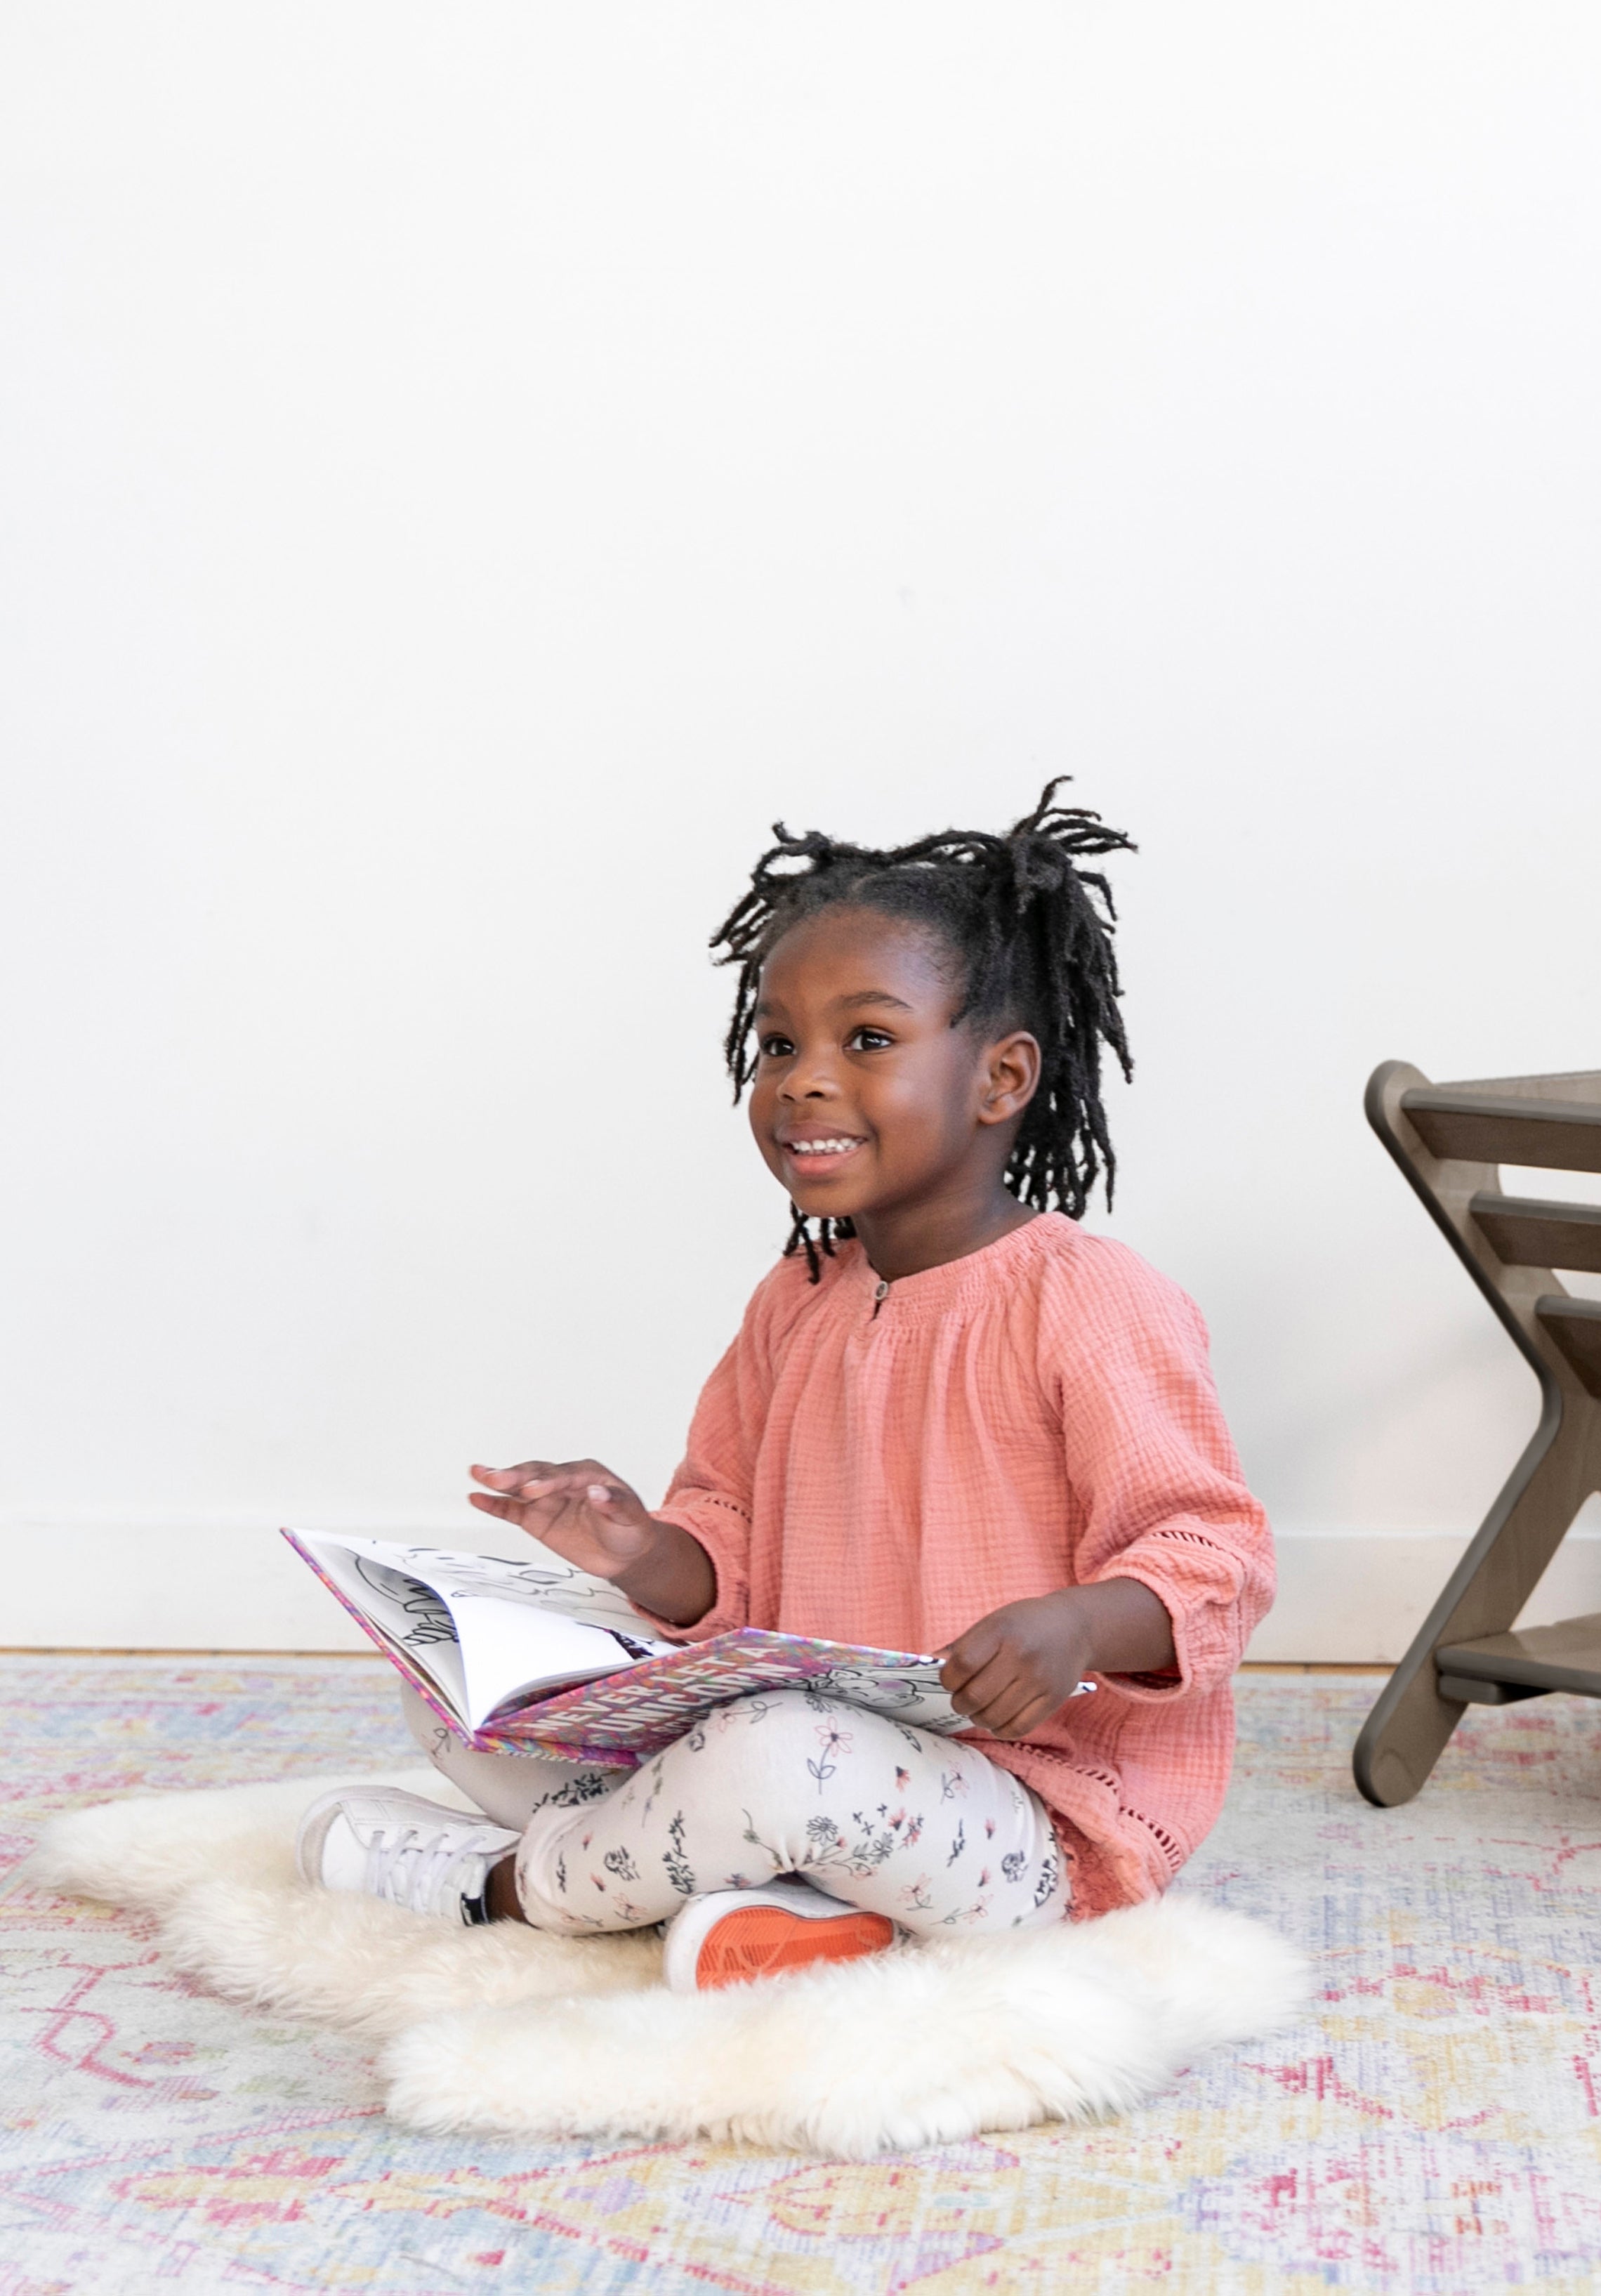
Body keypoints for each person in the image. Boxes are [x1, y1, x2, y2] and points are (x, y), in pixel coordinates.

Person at [296, 783, 1273, 1992]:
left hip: (1034, 1826)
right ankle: (785, 1909)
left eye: (867, 1040)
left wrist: (1077, 1621)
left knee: (771, 1758)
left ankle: (501, 1886)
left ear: (1001, 1077)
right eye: (778, 1046)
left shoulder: (1091, 1298)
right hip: (810, 1750)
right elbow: (729, 1542)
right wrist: (635, 1546)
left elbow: (1214, 1556)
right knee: (455, 1683)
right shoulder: (799, 1295)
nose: (803, 1081)